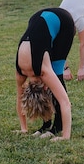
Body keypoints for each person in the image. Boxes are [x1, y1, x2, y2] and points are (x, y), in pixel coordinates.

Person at [15, 8, 75, 141]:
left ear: (45, 87)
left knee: (57, 71)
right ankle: (46, 124)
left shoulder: (44, 72)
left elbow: (65, 102)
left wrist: (65, 137)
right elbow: (20, 99)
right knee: (52, 74)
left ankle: (57, 127)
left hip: (63, 22)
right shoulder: (21, 73)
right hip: (37, 17)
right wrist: (23, 129)